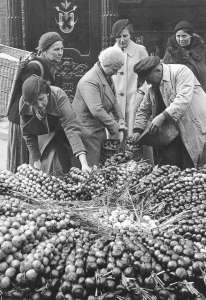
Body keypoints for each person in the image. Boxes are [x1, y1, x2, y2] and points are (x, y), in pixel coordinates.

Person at [132, 56, 206, 169]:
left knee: (192, 167)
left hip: (192, 125)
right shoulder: (152, 84)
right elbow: (144, 109)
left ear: (158, 70)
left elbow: (183, 99)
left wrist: (162, 117)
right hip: (170, 133)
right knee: (169, 167)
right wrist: (138, 130)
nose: (147, 82)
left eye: (148, 78)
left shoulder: (181, 71)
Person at [7, 31, 64, 173]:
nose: (60, 53)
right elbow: (29, 97)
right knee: (25, 158)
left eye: (62, 49)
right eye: (56, 49)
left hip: (32, 117)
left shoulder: (49, 66)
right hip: (23, 119)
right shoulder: (35, 67)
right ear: (44, 51)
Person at [19, 75, 91, 176]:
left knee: (61, 170)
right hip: (40, 138)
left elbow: (71, 128)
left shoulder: (58, 95)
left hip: (61, 135)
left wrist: (84, 163)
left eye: (41, 99)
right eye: (34, 103)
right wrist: (36, 158)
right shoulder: (24, 102)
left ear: (47, 94)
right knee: (37, 174)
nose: (39, 105)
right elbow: (27, 133)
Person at [72, 47, 126, 167]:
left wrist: (121, 120)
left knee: (100, 168)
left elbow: (113, 101)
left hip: (97, 130)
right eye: (115, 69)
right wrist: (114, 127)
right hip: (87, 132)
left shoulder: (106, 76)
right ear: (107, 65)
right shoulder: (89, 80)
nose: (116, 72)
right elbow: (97, 110)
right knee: (91, 169)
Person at [111, 19, 148, 136]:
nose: (122, 40)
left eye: (125, 36)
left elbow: (148, 75)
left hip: (135, 100)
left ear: (130, 35)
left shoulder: (140, 50)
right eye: (118, 36)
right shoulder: (110, 52)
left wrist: (141, 93)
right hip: (116, 102)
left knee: (134, 135)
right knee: (117, 137)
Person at [163, 20, 206, 92]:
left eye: (184, 36)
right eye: (178, 36)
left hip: (201, 90)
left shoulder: (201, 51)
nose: (181, 39)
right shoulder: (171, 53)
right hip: (180, 91)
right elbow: (166, 75)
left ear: (191, 36)